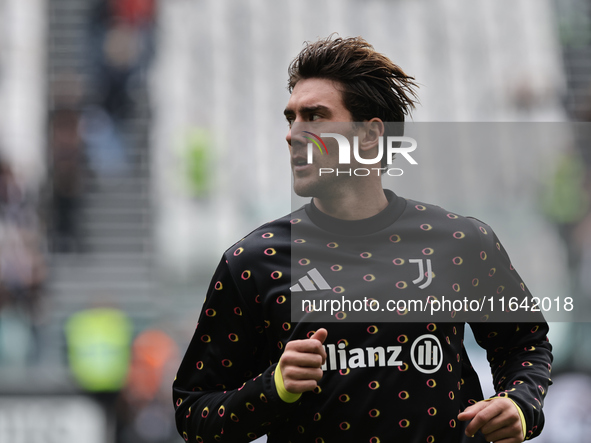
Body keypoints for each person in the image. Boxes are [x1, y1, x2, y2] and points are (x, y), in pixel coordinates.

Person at [173, 36, 553, 443]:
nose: (293, 134)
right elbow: (194, 413)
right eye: (291, 119)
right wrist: (274, 387)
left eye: (315, 116)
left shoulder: (460, 241)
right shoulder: (252, 261)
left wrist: (518, 405)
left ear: (370, 136)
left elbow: (526, 344)